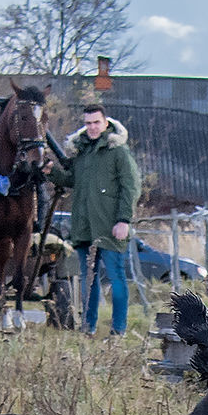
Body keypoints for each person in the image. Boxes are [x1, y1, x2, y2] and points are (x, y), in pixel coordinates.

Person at [43, 104, 141, 336]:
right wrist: (51, 172)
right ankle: (88, 327)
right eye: (88, 123)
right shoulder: (83, 152)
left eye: (96, 122)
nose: (92, 127)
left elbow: (131, 187)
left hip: (111, 226)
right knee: (88, 280)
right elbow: (72, 180)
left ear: (106, 122)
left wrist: (124, 220)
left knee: (117, 278)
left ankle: (119, 330)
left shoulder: (118, 151)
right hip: (84, 226)